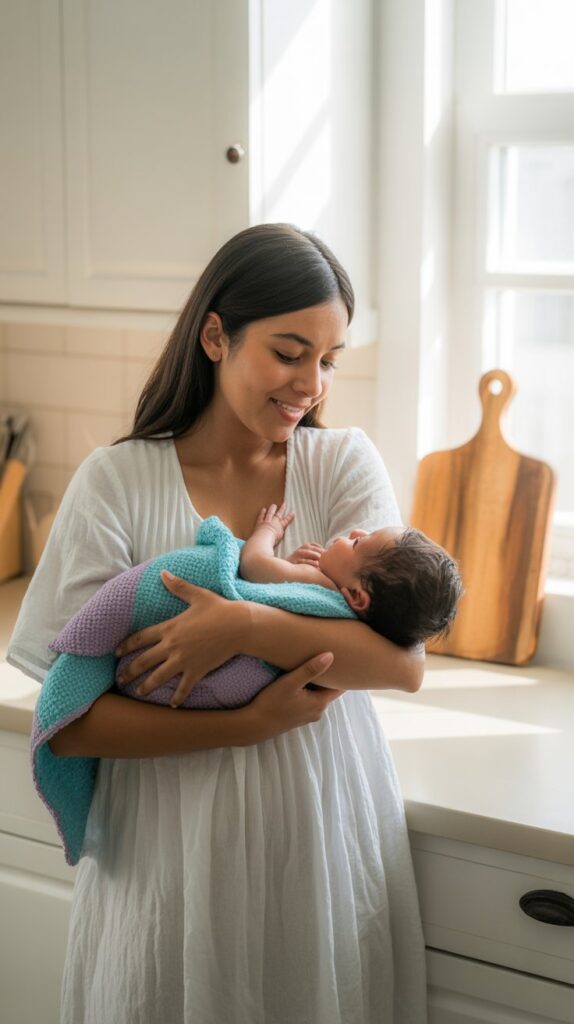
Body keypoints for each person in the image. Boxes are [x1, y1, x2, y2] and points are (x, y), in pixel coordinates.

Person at [8, 223, 428, 1023]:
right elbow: (70, 724)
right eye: (289, 350)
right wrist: (248, 723)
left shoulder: (340, 465)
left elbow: (397, 666)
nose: (311, 382)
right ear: (215, 336)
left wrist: (235, 626)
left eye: (329, 359)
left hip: (318, 829)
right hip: (167, 852)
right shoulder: (116, 481)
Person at [239, 502, 463, 648]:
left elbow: (253, 565)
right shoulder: (361, 630)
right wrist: (287, 569)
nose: (356, 531)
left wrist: (268, 531)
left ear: (357, 596)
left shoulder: (317, 582)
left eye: (357, 543)